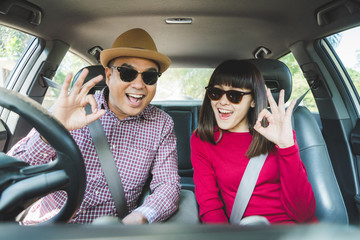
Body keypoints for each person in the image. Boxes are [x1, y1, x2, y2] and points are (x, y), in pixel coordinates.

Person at [8, 28, 181, 224]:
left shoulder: (161, 124)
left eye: (149, 77)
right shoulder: (72, 108)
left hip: (109, 232)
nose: (139, 85)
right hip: (46, 226)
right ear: (109, 76)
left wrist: (137, 220)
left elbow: (168, 185)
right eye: (128, 73)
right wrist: (51, 132)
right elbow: (13, 172)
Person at [190, 59, 317, 224]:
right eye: (216, 93)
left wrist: (286, 146)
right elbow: (210, 207)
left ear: (254, 101)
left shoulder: (278, 133)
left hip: (294, 231)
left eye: (234, 95)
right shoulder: (203, 139)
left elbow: (303, 213)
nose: (222, 101)